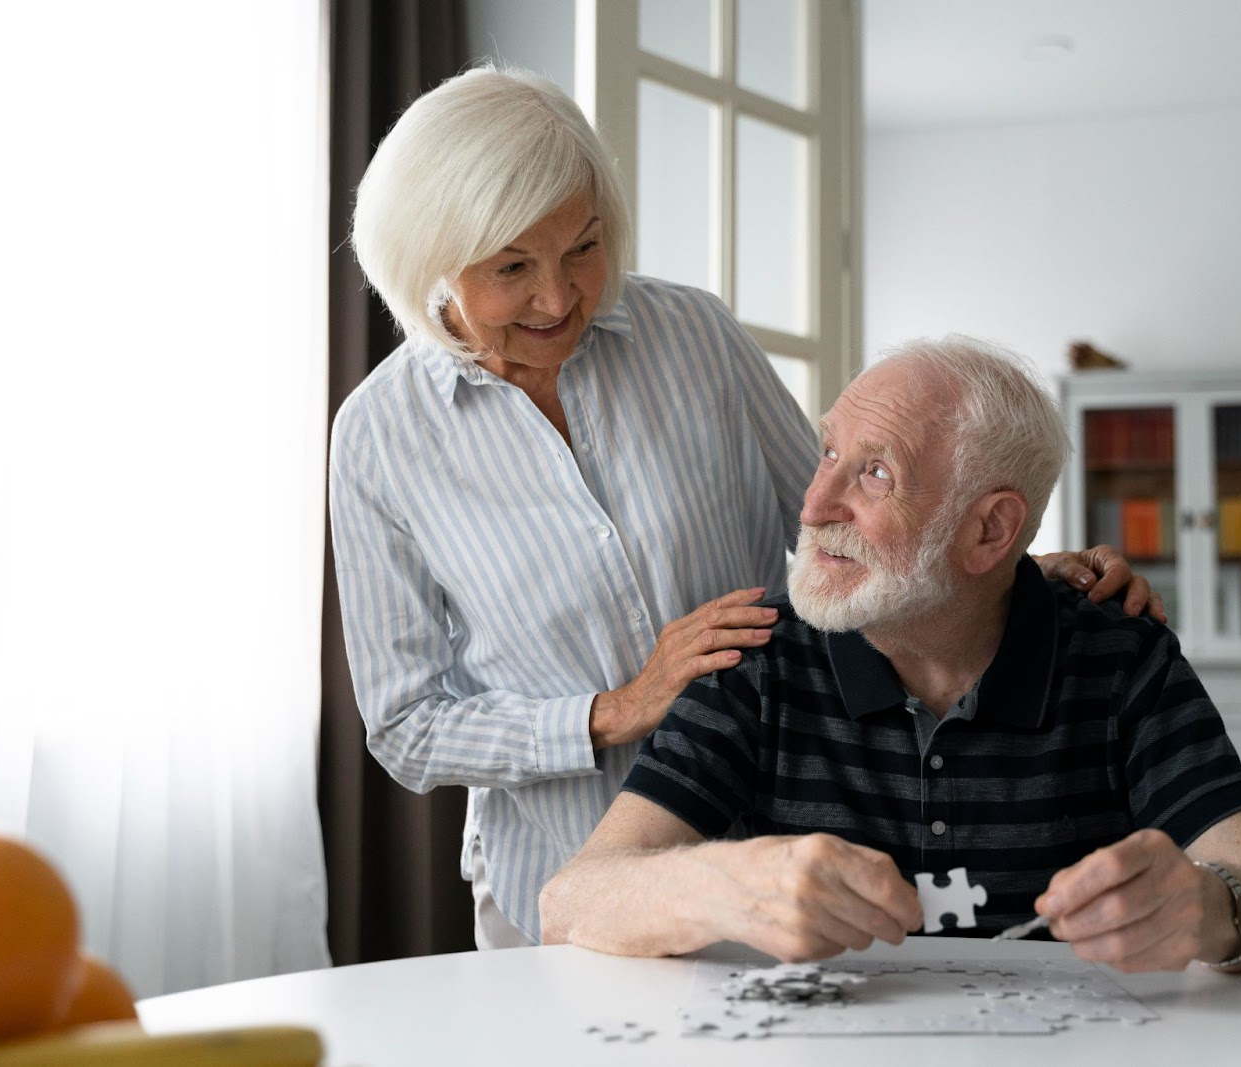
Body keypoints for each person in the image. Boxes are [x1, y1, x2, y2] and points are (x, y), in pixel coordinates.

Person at [331, 65, 1159, 948]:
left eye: (583, 246)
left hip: (772, 863)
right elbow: (407, 726)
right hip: (558, 882)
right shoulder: (379, 437)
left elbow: (849, 525)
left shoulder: (694, 336)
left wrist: (1002, 572)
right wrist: (615, 708)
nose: (560, 295)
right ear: (430, 260)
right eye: (512, 268)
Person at [540, 336, 1241, 972]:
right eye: (828, 452)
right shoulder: (757, 654)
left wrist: (1213, 908)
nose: (814, 504)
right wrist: (723, 885)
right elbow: (568, 904)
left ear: (991, 530)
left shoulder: (1122, 656)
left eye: (875, 473)